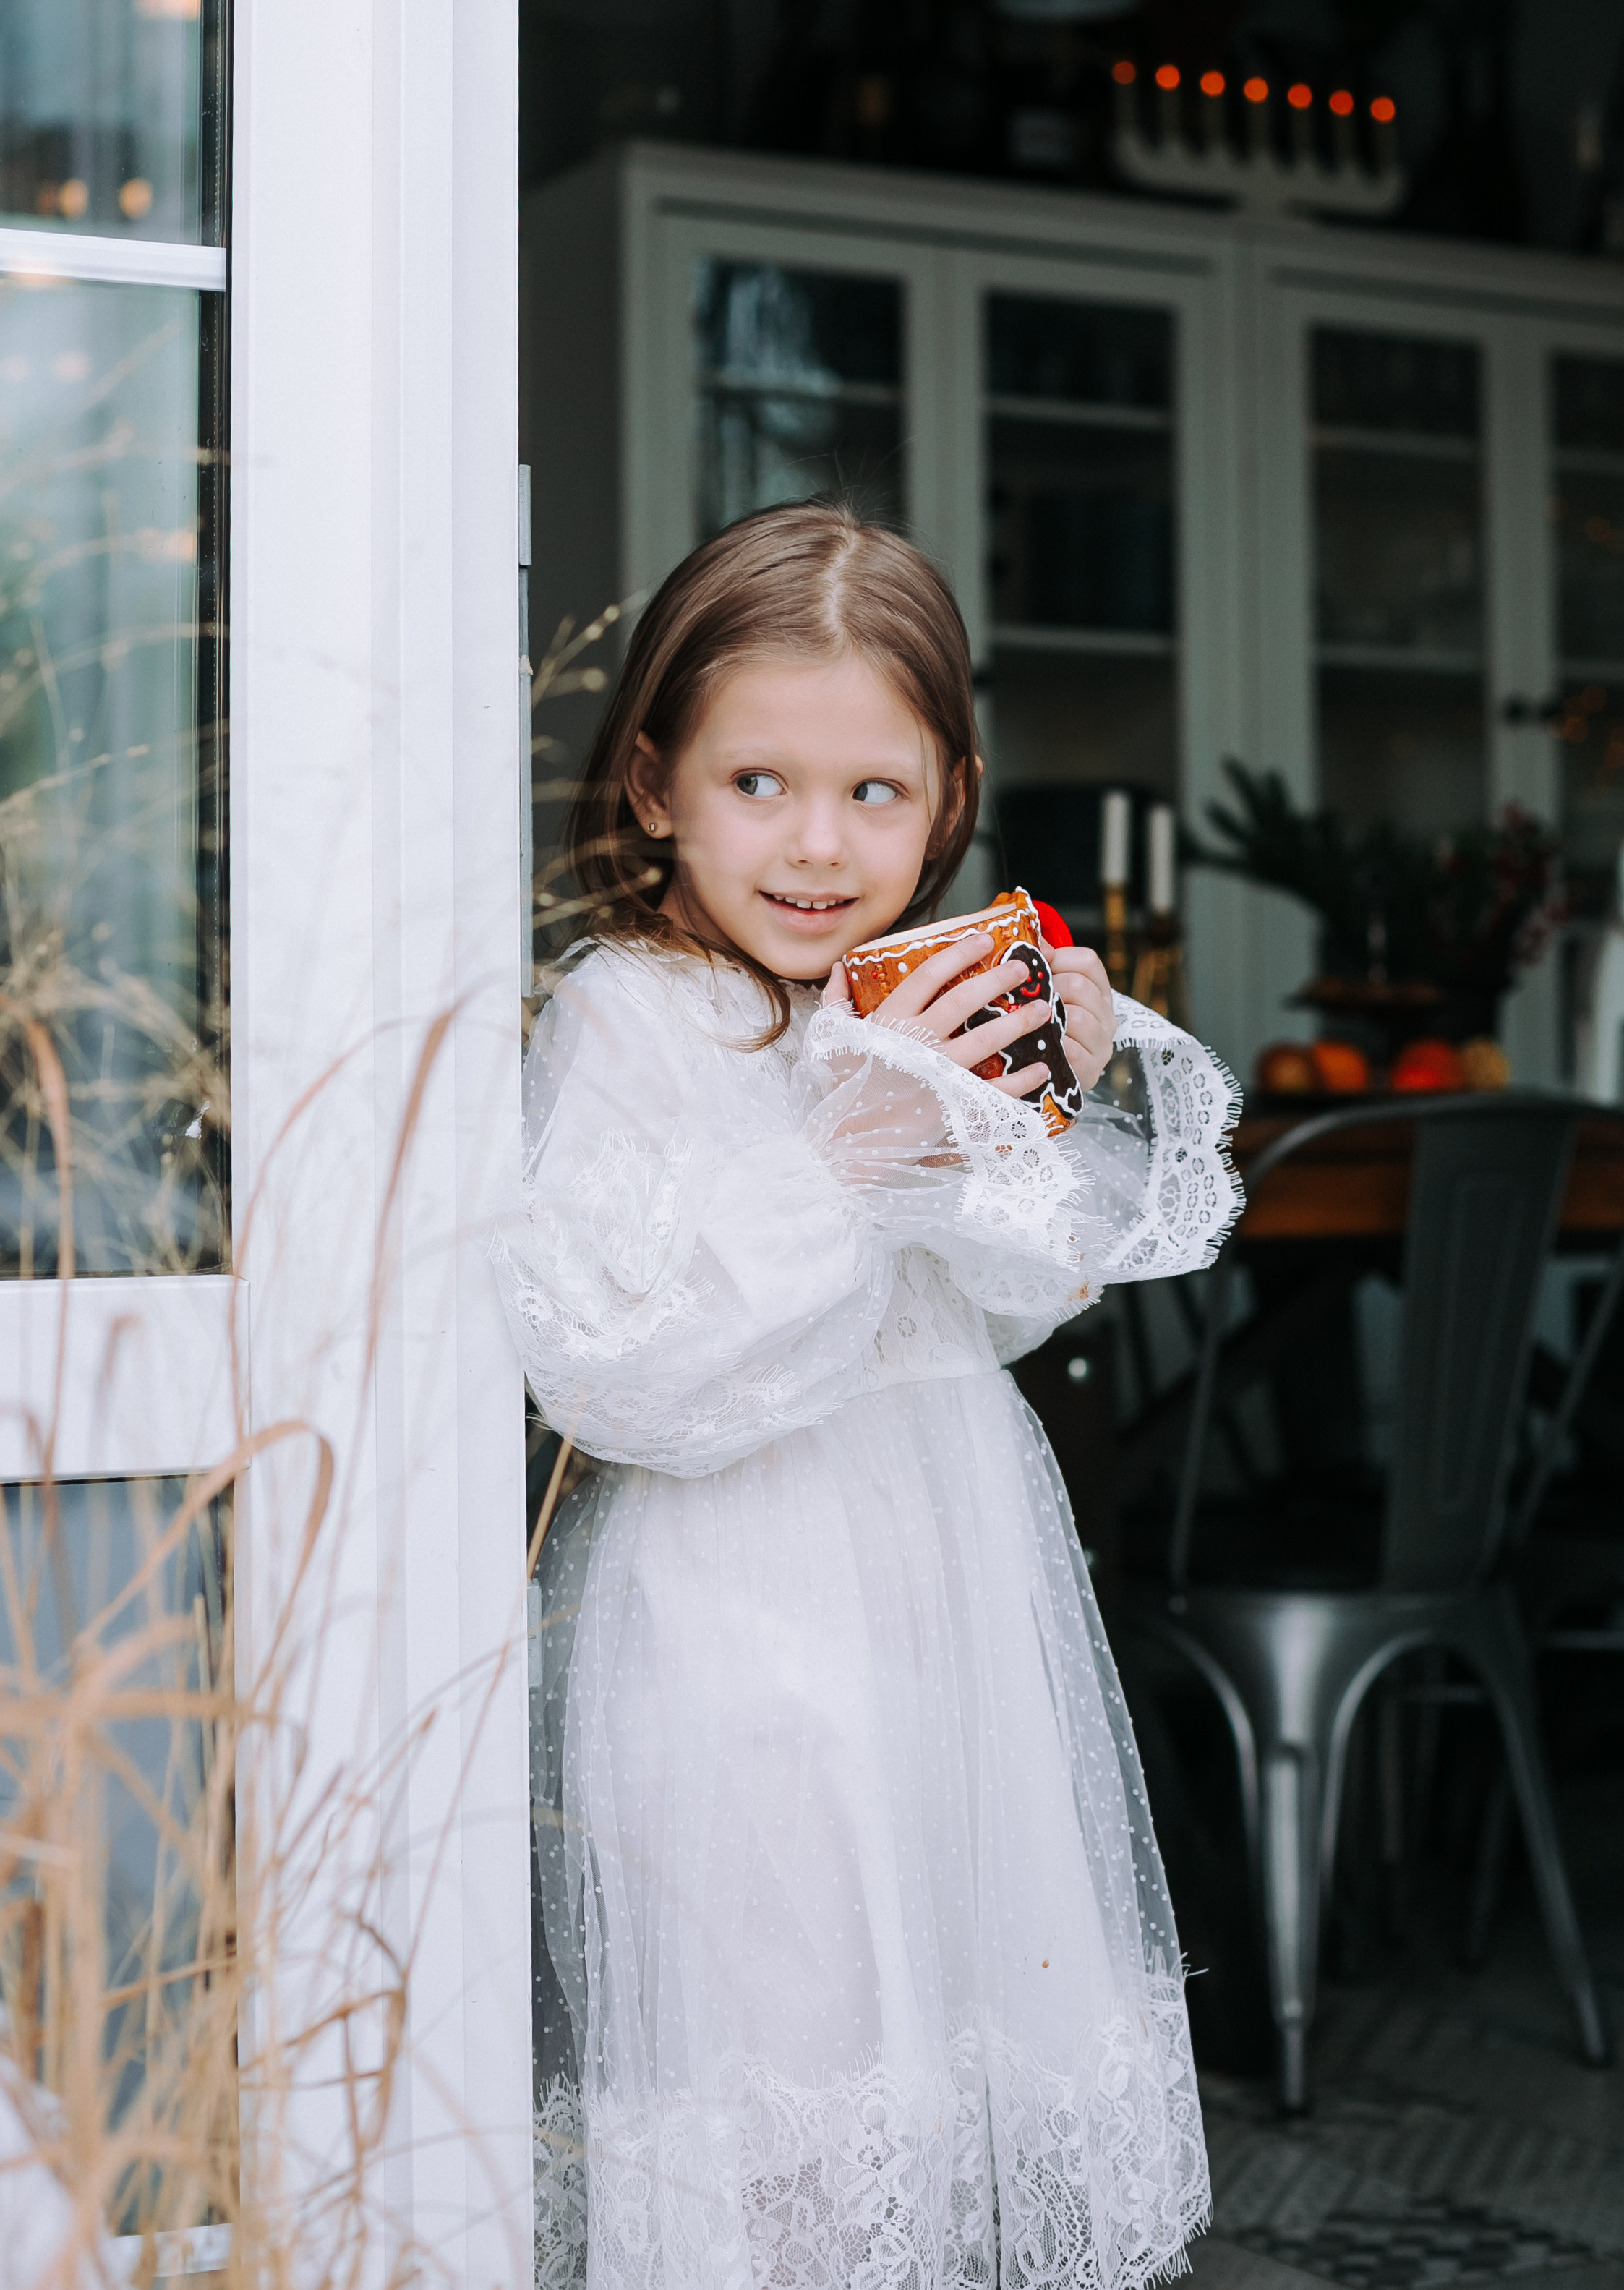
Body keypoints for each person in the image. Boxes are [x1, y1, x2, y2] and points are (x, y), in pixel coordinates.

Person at [493, 500, 1241, 2290]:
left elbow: (1021, 1294)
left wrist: (1029, 1096)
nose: (818, 847)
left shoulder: (903, 1007)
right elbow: (616, 1365)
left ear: (951, 796)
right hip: (737, 1630)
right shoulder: (626, 1019)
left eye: (875, 795)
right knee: (784, 2080)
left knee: (939, 2041)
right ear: (655, 782)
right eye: (760, 783)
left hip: (951, 1607)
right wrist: (840, 1154)